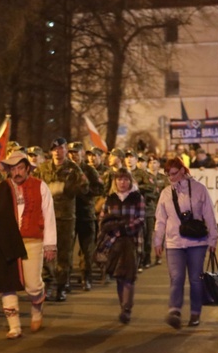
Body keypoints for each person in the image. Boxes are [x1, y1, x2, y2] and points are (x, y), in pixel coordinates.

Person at [0, 151, 57, 338]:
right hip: (7, 242)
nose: (17, 172)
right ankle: (14, 326)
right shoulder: (2, 188)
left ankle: (37, 307)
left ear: (27, 168)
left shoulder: (40, 187)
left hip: (32, 240)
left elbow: (49, 215)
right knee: (7, 282)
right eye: (13, 169)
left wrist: (50, 244)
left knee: (33, 285)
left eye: (20, 168)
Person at [153, 157, 218, 330]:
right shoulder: (166, 193)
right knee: (176, 278)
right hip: (174, 242)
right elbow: (160, 219)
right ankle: (174, 311)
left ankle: (195, 313)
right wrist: (157, 240)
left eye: (174, 173)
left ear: (183, 170)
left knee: (196, 279)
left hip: (197, 242)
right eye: (168, 174)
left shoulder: (199, 189)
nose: (171, 177)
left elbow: (209, 215)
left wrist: (213, 238)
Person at [38, 137, 89, 301]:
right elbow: (33, 185)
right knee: (46, 251)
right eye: (55, 149)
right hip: (47, 216)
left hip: (66, 217)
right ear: (50, 151)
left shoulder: (73, 168)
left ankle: (61, 286)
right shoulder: (42, 168)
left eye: (61, 148)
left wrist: (64, 188)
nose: (58, 152)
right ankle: (47, 284)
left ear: (66, 150)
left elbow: (84, 188)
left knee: (64, 254)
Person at [97, 168, 145, 324]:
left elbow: (140, 219)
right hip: (114, 242)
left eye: (125, 179)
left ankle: (126, 309)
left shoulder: (137, 198)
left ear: (130, 181)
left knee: (129, 276)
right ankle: (122, 305)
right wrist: (109, 230)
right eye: (119, 179)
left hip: (131, 241)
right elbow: (102, 220)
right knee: (118, 276)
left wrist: (125, 228)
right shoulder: (110, 199)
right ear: (115, 182)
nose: (122, 182)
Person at [68, 141, 104, 291]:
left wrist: (84, 190)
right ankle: (66, 280)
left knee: (87, 250)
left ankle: (86, 278)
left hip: (86, 214)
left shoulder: (89, 170)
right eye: (71, 152)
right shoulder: (65, 169)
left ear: (82, 153)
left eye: (76, 152)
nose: (73, 155)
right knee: (66, 250)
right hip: (68, 215)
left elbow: (99, 189)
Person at [146, 155, 169, 266]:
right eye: (150, 163)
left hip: (161, 208)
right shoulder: (145, 176)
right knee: (148, 233)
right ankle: (146, 257)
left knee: (160, 233)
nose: (152, 165)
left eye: (155, 162)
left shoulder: (163, 178)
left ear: (159, 164)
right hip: (149, 208)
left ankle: (158, 255)